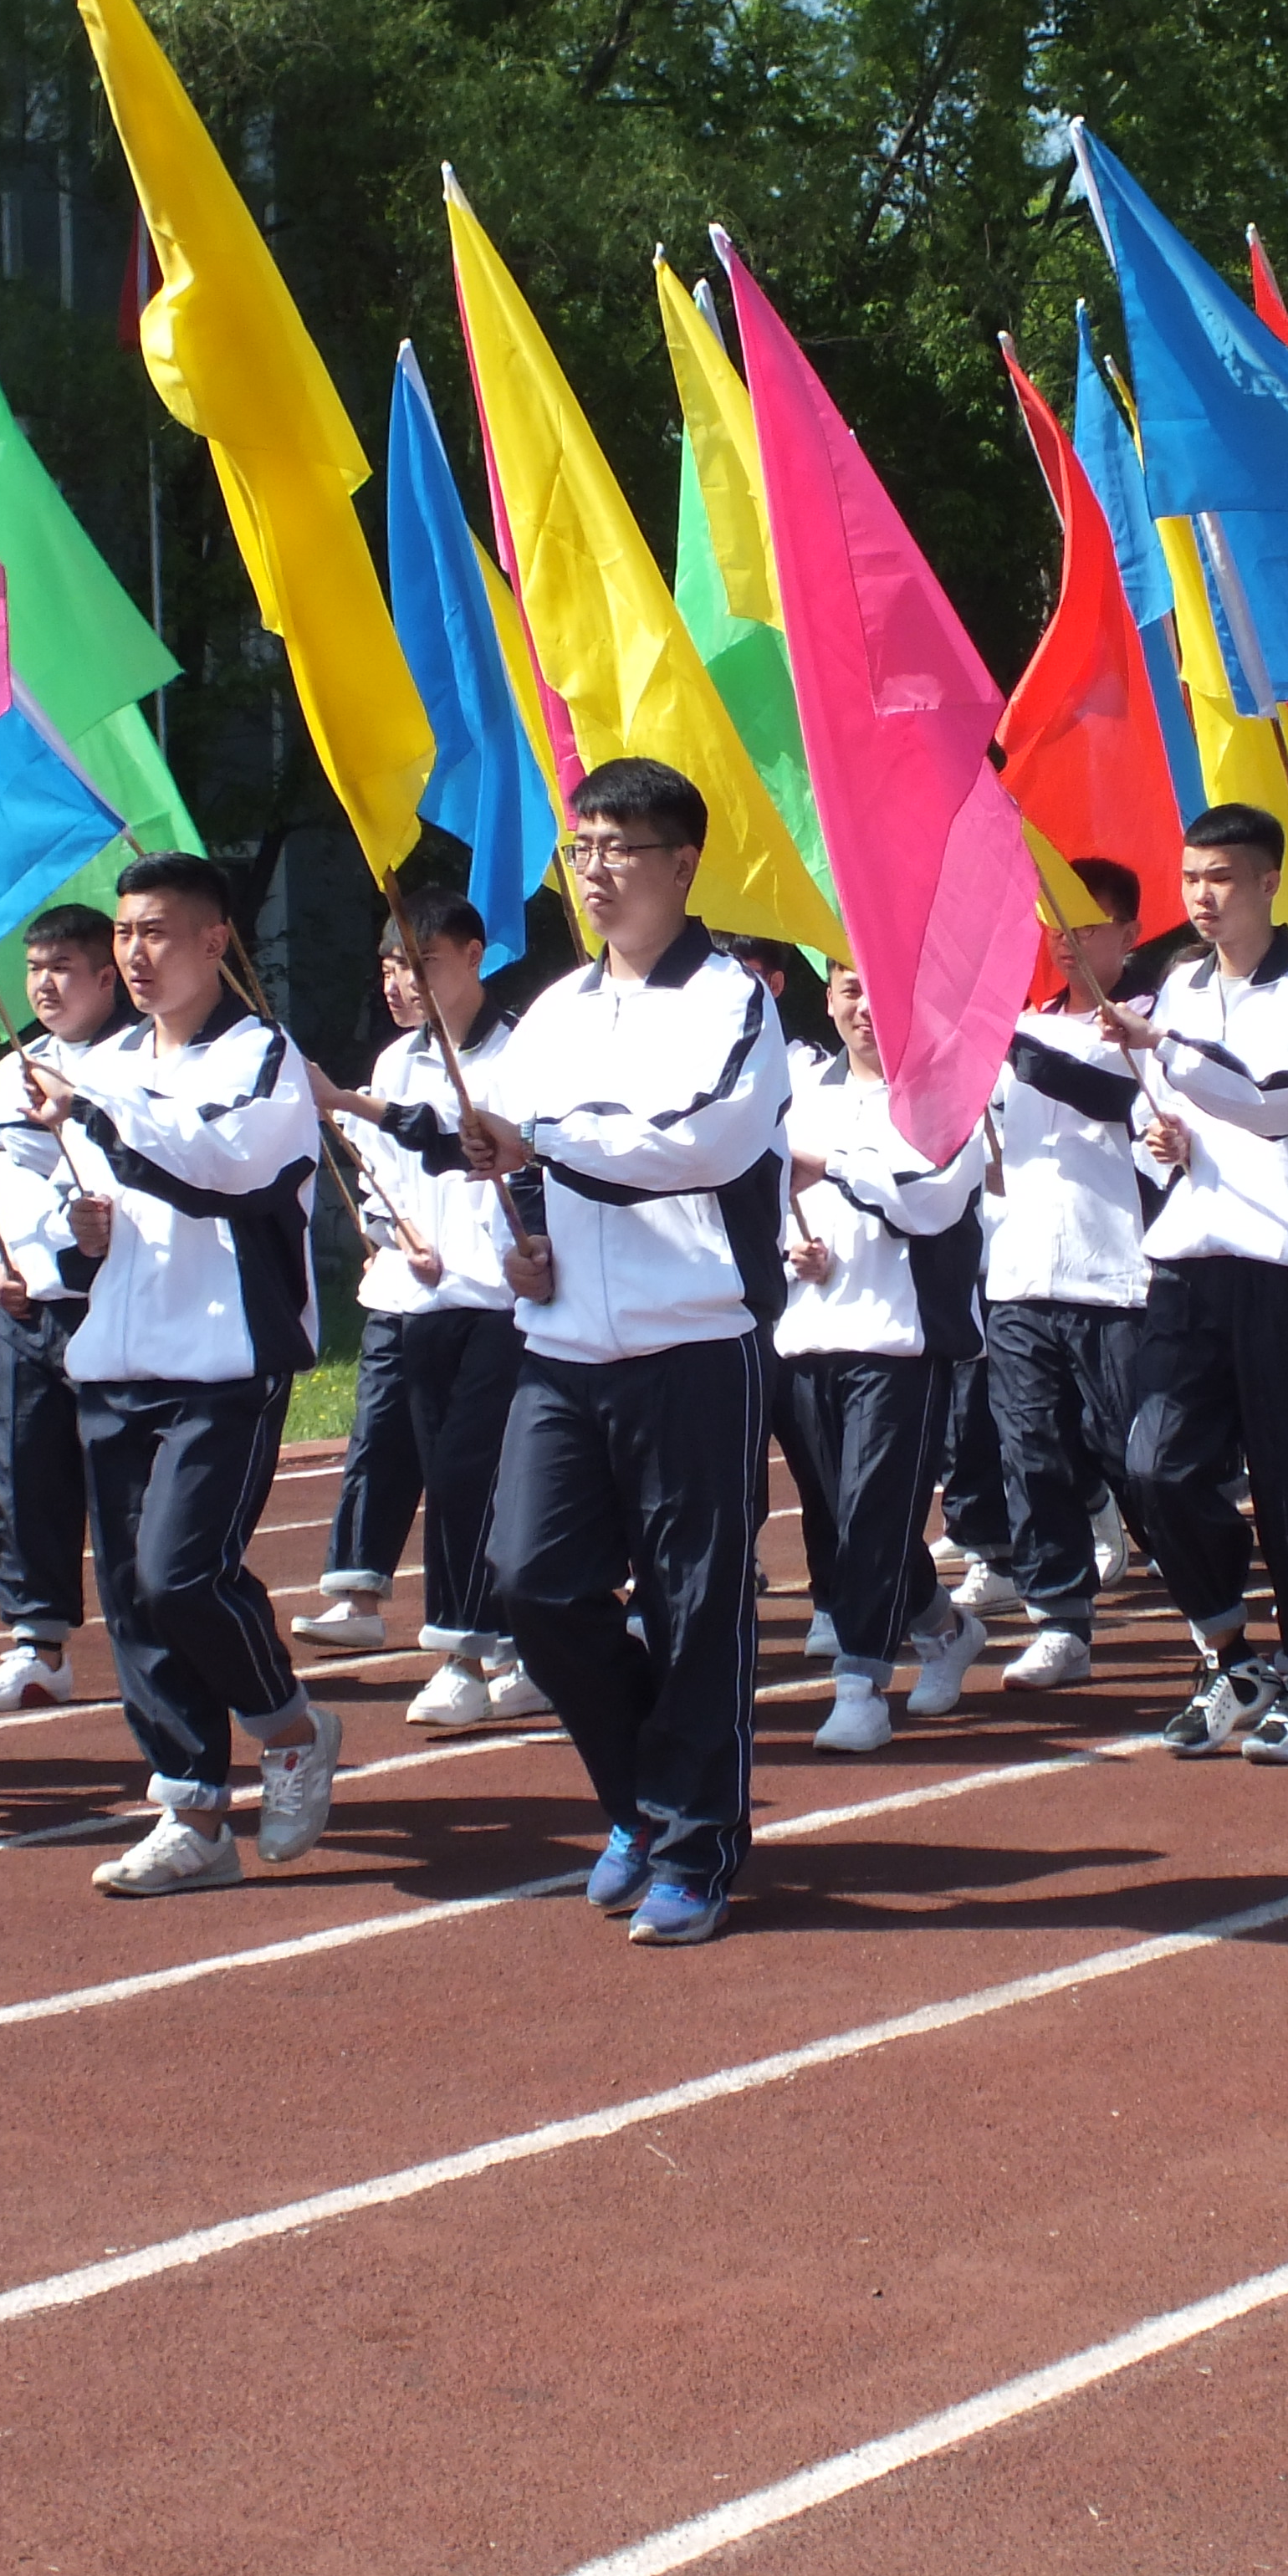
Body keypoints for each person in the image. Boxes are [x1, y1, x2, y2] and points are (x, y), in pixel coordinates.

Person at [453, 758, 794, 1947]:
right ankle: (642, 1804)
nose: (593, 873)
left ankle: (698, 1844)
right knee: (534, 1586)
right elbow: (520, 1158)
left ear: (682, 864)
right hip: (561, 1349)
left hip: (693, 1343)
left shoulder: (736, 1003)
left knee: (697, 1606)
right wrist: (526, 1236)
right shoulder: (554, 1011)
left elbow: (693, 1147)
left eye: (619, 851)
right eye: (580, 851)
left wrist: (540, 1137)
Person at [18, 851, 342, 1898]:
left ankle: (291, 1730)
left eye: (157, 932)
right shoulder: (100, 1067)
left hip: (226, 1358)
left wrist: (104, 1114)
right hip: (118, 1353)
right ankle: (193, 1808)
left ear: (215, 940)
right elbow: (62, 1209)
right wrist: (80, 1233)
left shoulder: (264, 1058)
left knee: (182, 1571)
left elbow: (228, 1170)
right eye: (124, 934)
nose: (136, 953)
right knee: (133, 1598)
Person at [1089, 802, 1288, 1764]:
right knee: (1152, 1464)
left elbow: (1281, 1098)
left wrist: (1165, 1053)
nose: (1202, 896)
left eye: (1221, 879)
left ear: (1266, 884)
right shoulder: (1179, 982)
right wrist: (1161, 1139)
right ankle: (1230, 1649)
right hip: (1192, 1261)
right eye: (1191, 877)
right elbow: (1158, 1111)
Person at [305, 891, 543, 1732]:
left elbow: (483, 1146)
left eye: (421, 962)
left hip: (499, 1301)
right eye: (393, 966)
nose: (402, 981)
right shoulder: (398, 1059)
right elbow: (383, 1175)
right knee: (433, 1460)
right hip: (420, 1297)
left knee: (467, 1472)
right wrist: (386, 1235)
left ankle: (464, 1651)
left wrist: (349, 1102)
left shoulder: (520, 1053)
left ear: (475, 955)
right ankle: (511, 1638)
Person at [770, 961, 992, 1751]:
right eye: (849, 988)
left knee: (871, 1517)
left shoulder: (943, 1096)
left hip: (901, 1341)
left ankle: (860, 1684)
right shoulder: (799, 1094)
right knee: (862, 1521)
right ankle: (942, 1627)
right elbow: (766, 1199)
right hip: (806, 1338)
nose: (866, 1007)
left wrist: (831, 1164)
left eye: (881, 987)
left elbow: (928, 1202)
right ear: (827, 998)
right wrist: (791, 1250)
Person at [979, 857, 1154, 1695]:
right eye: (1060, 925)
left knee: (1139, 1453)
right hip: (1020, 1275)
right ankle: (1059, 1620)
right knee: (1031, 1449)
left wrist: (996, 1037)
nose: (1067, 940)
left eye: (1087, 925)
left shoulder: (1153, 1027)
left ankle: (1201, 1591)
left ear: (1131, 933)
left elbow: (1103, 1094)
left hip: (1117, 1274)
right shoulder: (1021, 1029)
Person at [0, 903, 127, 1724]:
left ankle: (154, 1629)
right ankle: (38, 1641)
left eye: (63, 967)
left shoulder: (133, 1066)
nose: (44, 984)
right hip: (27, 1313)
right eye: (34, 969)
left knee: (123, 1481)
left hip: (113, 1308)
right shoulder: (9, 1071)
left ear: (107, 976)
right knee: (25, 1475)